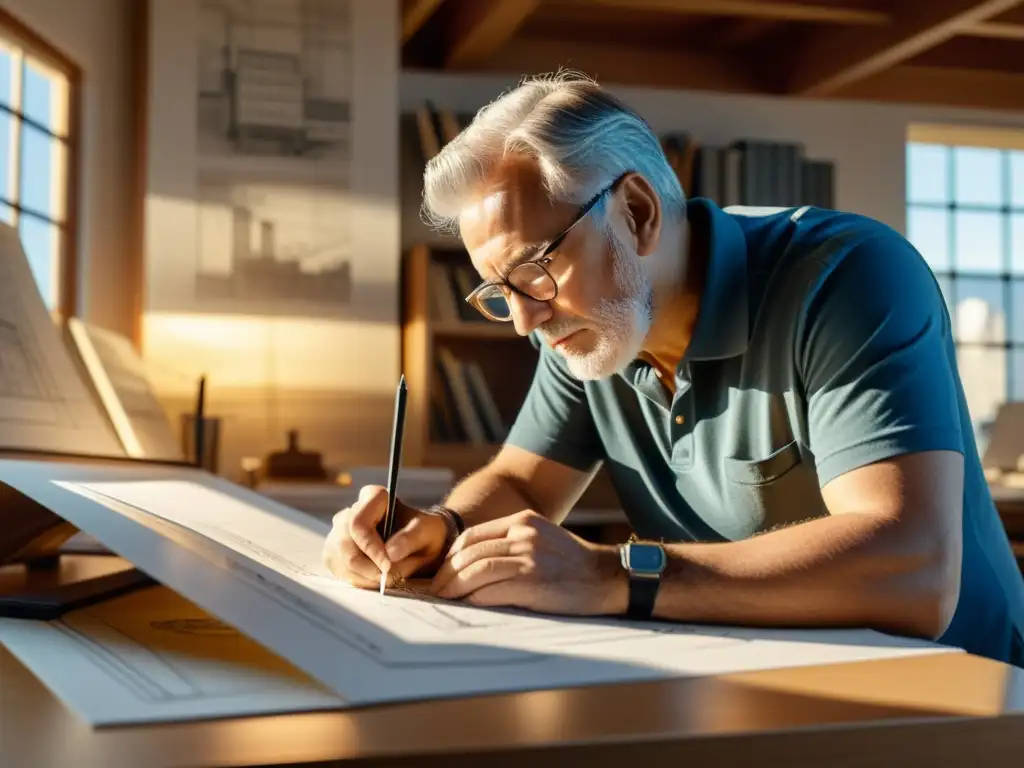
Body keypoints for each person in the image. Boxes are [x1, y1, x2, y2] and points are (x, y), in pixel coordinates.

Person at [322, 72, 1024, 667]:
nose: (525, 321)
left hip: (961, 697)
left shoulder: (848, 278)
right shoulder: (589, 329)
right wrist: (437, 530)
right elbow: (519, 481)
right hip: (765, 673)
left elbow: (914, 569)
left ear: (636, 212)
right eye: (498, 292)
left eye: (535, 271)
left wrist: (612, 572)